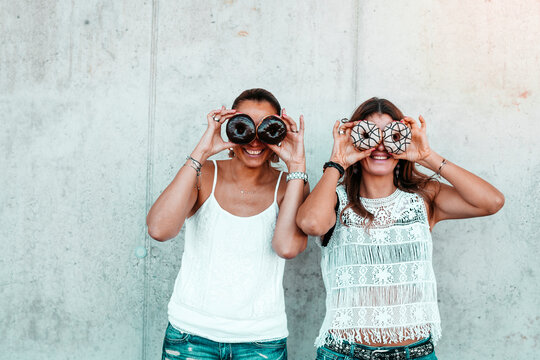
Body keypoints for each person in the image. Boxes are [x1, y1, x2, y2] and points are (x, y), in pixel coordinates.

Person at [296, 97, 504, 360]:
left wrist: (427, 156)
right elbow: (311, 223)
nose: (381, 144)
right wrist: (338, 162)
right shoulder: (335, 198)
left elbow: (492, 202)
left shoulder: (425, 197)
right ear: (354, 139)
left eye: (393, 135)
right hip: (345, 353)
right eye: (369, 135)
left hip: (415, 353)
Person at [146, 88, 309, 360]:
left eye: (266, 128)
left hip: (261, 341)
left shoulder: (289, 184)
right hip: (191, 335)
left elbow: (287, 248)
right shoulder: (205, 174)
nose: (255, 139)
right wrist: (203, 150)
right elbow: (159, 230)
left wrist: (297, 164)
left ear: (279, 129)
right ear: (230, 126)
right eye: (244, 126)